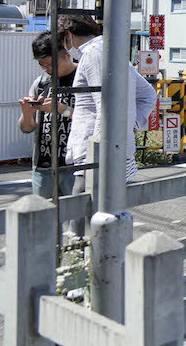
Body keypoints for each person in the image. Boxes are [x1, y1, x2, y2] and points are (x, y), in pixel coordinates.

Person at [61, 15, 157, 225]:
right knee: (103, 222)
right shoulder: (113, 53)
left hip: (96, 157)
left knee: (83, 225)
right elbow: (148, 94)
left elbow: (104, 106)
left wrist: (95, 159)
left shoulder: (93, 54)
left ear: (68, 35)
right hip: (108, 152)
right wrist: (132, 124)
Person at [18, 32, 77, 200]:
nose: (48, 70)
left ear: (66, 55)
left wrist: (63, 110)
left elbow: (95, 118)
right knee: (44, 219)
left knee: (77, 219)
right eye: (42, 66)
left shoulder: (82, 79)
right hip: (43, 166)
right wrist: (27, 114)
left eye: (51, 65)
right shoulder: (41, 83)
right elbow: (26, 128)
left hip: (75, 165)